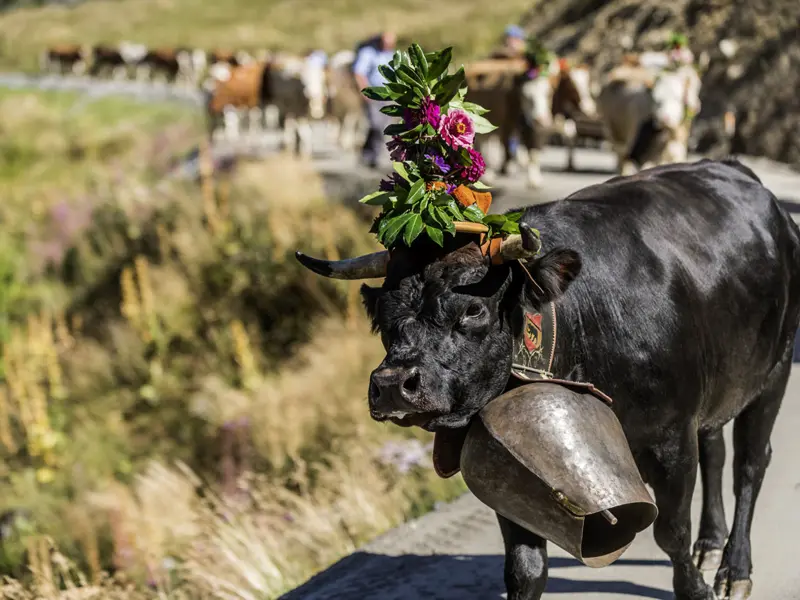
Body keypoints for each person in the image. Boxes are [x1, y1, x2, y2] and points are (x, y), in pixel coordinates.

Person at [352, 31, 397, 168]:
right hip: (374, 94)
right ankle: (373, 156)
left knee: (382, 126)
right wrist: (365, 91)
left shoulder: (391, 55)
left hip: (388, 95)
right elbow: (359, 73)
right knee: (375, 125)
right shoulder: (368, 53)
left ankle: (369, 154)